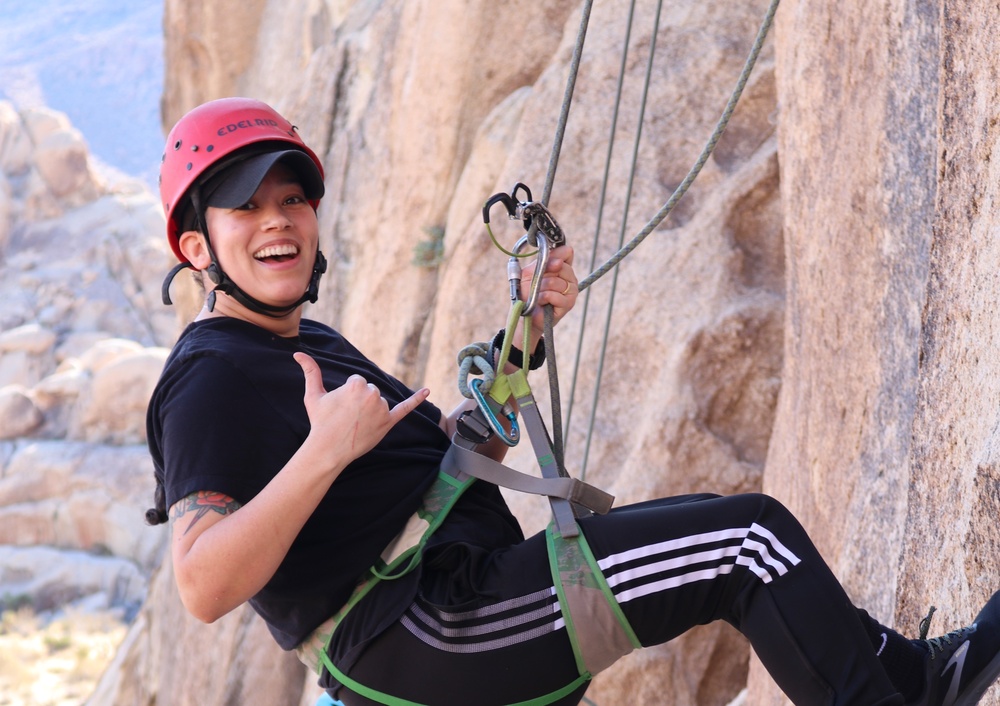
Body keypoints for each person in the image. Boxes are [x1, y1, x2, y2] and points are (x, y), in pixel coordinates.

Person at [145, 96, 1000, 706]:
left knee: (723, 527)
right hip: (428, 630)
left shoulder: (302, 341)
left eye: (292, 197)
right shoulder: (209, 375)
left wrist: (528, 329)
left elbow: (456, 466)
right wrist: (323, 452)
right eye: (244, 206)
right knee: (747, 542)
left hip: (455, 605)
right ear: (196, 245)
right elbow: (202, 583)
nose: (279, 221)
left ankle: (914, 680)